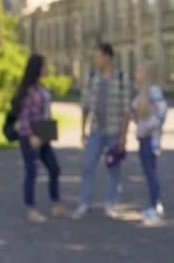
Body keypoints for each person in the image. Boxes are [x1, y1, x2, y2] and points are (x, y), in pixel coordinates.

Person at [72, 43, 132, 220]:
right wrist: (82, 131)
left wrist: (123, 137)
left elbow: (127, 110)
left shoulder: (122, 78)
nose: (95, 60)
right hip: (96, 130)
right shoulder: (91, 77)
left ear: (108, 57)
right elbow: (85, 106)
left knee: (114, 169)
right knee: (87, 166)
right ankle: (85, 203)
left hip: (115, 131)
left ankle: (110, 204)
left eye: (98, 56)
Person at [11, 54, 68, 223]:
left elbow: (44, 112)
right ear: (37, 68)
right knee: (31, 171)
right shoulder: (28, 90)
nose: (47, 69)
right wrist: (32, 136)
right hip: (31, 135)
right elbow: (25, 116)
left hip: (44, 132)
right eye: (44, 66)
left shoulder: (39, 87)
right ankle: (31, 209)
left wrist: (44, 134)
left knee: (54, 168)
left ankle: (56, 204)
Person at [130, 61, 168, 224]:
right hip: (143, 137)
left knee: (151, 173)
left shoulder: (153, 91)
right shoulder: (142, 92)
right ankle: (154, 205)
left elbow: (163, 111)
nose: (135, 72)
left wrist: (149, 127)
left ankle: (155, 206)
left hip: (150, 139)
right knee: (149, 173)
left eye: (138, 70)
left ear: (146, 73)